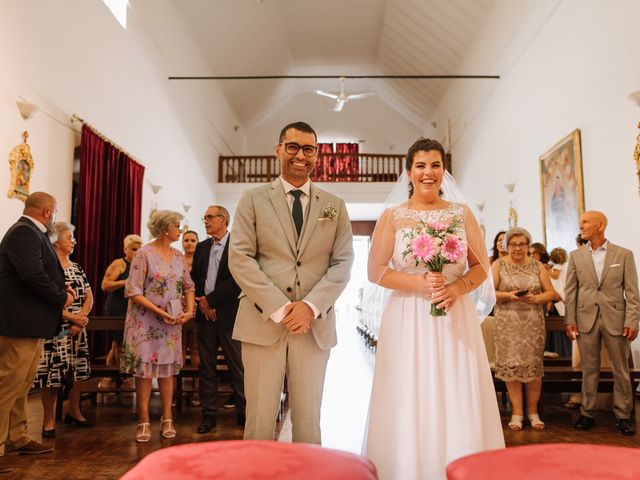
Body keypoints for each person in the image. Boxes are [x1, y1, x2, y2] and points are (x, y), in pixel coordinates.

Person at [363, 138, 503, 480]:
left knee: (455, 386)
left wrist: (456, 287)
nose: (429, 173)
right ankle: (408, 467)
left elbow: (481, 266)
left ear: (444, 171)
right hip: (407, 315)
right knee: (409, 388)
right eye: (421, 166)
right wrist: (422, 283)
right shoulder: (392, 217)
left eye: (436, 165)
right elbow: (376, 270)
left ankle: (459, 464)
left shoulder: (461, 213)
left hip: (454, 313)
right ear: (408, 172)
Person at [229, 121, 354, 444]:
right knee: (258, 421)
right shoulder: (253, 199)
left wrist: (310, 307)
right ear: (278, 150)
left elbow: (342, 262)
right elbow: (240, 257)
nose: (301, 155)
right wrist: (281, 307)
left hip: (313, 326)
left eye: (309, 149)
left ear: (317, 155)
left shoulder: (333, 205)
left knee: (309, 422)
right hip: (262, 321)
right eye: (293, 147)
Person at [0, 192, 74, 473]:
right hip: (20, 322)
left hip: (31, 322)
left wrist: (60, 289)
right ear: (46, 211)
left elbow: (41, 271)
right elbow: (32, 274)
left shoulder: (33, 232)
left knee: (21, 384)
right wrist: (59, 297)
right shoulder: (24, 232)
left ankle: (18, 436)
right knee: (8, 385)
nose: (54, 216)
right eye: (54, 212)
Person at [120, 210, 195, 442]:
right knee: (144, 371)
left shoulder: (179, 256)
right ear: (164, 229)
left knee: (167, 369)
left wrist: (189, 312)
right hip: (145, 320)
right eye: (176, 226)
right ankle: (143, 419)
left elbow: (189, 286)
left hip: (171, 321)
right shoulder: (144, 254)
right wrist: (159, 311)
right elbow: (132, 290)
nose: (180, 230)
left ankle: (167, 417)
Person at [565, 211, 639, 436]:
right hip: (585, 320)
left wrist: (632, 320)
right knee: (589, 370)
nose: (581, 226)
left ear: (601, 225)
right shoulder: (576, 256)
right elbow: (571, 291)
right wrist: (570, 320)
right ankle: (588, 413)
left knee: (621, 371)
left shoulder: (624, 255)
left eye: (586, 222)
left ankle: (624, 415)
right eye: (580, 222)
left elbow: (632, 293)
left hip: (616, 320)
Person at [492, 227, 556, 431]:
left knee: (533, 369)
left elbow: (551, 293)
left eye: (521, 244)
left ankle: (533, 412)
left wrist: (536, 298)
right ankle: (517, 413)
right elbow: (489, 294)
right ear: (506, 246)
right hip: (507, 324)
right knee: (512, 369)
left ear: (528, 246)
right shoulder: (498, 265)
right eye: (513, 244)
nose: (517, 248)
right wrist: (509, 296)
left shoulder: (538, 266)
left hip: (532, 323)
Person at [34, 222, 93, 438]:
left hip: (78, 327)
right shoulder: (47, 269)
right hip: (56, 328)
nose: (74, 241)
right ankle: (48, 420)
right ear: (56, 241)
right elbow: (47, 302)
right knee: (51, 376)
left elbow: (89, 296)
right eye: (70, 237)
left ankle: (74, 411)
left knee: (77, 372)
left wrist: (81, 319)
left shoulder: (77, 267)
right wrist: (71, 318)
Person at [190, 207, 243, 433]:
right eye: (205, 218)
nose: (206, 221)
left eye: (210, 217)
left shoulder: (238, 245)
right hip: (205, 316)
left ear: (224, 220)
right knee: (207, 367)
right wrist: (204, 302)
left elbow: (237, 280)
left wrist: (211, 301)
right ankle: (209, 415)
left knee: (237, 366)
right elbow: (196, 277)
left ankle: (244, 412)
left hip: (229, 315)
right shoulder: (202, 247)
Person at [101, 234, 142, 403]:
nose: (136, 252)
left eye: (139, 249)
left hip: (135, 310)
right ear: (125, 250)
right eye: (133, 249)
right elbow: (105, 285)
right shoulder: (119, 264)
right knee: (118, 345)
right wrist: (125, 282)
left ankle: (111, 379)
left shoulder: (142, 265)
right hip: (117, 308)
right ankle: (120, 379)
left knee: (127, 346)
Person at [181, 230, 200, 407]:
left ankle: (195, 390)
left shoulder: (200, 260)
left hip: (195, 306)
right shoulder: (177, 260)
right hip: (178, 307)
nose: (189, 243)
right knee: (179, 347)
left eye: (193, 240)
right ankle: (176, 390)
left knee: (195, 348)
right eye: (186, 240)